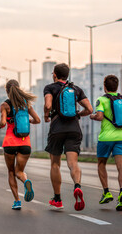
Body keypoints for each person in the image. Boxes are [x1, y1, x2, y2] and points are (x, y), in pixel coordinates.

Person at [43, 63, 93, 211]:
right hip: (74, 129)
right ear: (67, 75)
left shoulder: (50, 87)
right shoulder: (76, 89)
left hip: (57, 128)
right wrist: (78, 114)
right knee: (73, 163)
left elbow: (47, 105)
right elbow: (89, 109)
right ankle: (77, 185)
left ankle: (57, 199)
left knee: (55, 164)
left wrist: (47, 116)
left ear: (54, 75)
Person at [90, 75, 122, 211]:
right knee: (121, 165)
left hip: (106, 138)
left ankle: (106, 192)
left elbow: (99, 116)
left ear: (105, 86)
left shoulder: (101, 100)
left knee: (101, 163)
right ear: (117, 86)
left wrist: (92, 116)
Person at [0, 80, 40, 210]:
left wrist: (0, 124)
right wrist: (29, 121)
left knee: (11, 172)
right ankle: (25, 180)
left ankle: (17, 201)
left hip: (10, 142)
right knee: (19, 171)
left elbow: (3, 123)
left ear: (7, 91)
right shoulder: (26, 103)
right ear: (18, 88)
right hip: (24, 142)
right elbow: (37, 120)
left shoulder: (5, 105)